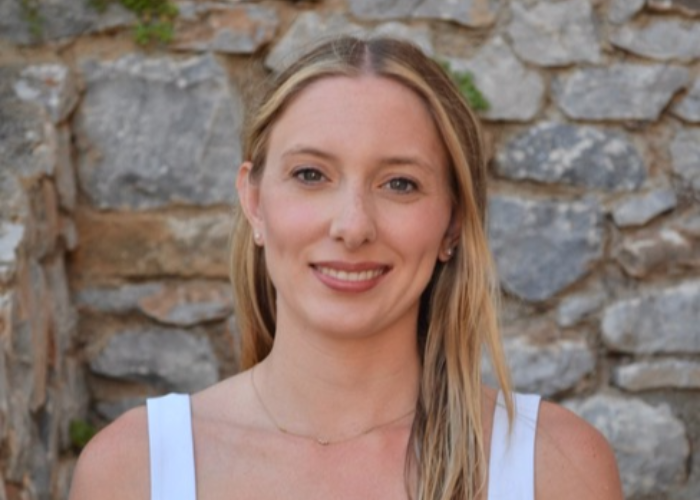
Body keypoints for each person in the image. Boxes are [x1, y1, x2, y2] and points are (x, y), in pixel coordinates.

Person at [69, 36, 623, 500]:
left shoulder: (554, 467)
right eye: (311, 175)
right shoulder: (134, 469)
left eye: (399, 183)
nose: (352, 226)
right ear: (254, 202)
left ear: (452, 224)